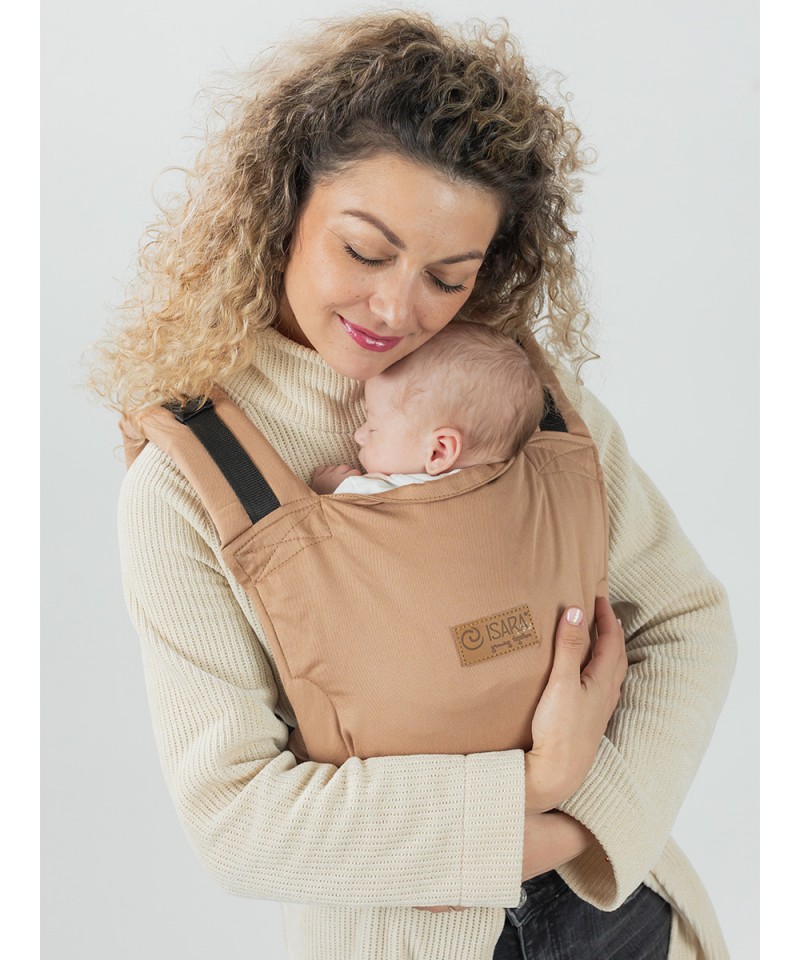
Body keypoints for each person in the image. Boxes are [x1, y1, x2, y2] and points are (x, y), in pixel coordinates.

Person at [94, 11, 735, 960]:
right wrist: (539, 785)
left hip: (633, 917)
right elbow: (238, 820)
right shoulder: (188, 482)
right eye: (364, 252)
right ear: (281, 211)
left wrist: (575, 830)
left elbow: (685, 622)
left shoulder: (521, 399)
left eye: (448, 275)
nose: (396, 309)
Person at [309, 321, 544, 495]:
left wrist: (330, 488)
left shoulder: (377, 493)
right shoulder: (521, 489)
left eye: (373, 428)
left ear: (438, 451)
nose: (358, 435)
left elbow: (328, 516)